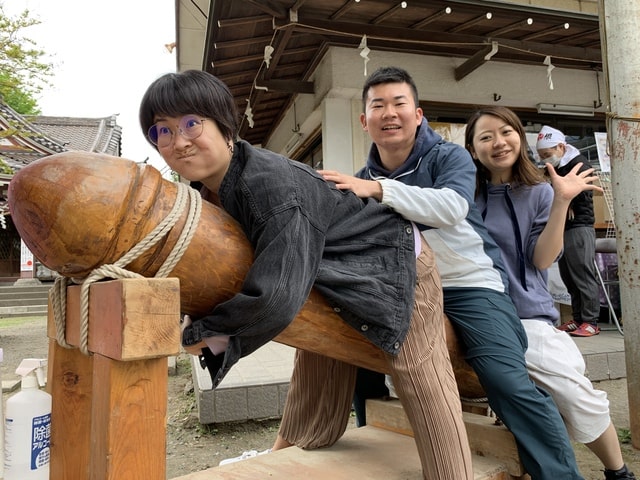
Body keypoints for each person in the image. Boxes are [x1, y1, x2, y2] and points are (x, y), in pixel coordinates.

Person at [138, 69, 473, 480]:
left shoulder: (271, 187)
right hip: (330, 270)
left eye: (191, 123)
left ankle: (451, 473)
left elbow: (276, 296)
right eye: (162, 131)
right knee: (318, 343)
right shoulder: (213, 189)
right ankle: (294, 446)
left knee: (418, 369)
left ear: (224, 125)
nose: (179, 140)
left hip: (397, 265)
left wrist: (204, 335)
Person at [319, 66, 583, 480]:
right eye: (378, 105)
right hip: (402, 286)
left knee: (505, 380)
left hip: (470, 284)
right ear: (364, 119)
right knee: (355, 352)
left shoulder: (448, 156)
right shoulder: (363, 176)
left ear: (418, 113)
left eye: (399, 103)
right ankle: (368, 448)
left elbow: (451, 208)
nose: (389, 113)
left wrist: (378, 190)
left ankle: (560, 475)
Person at [466, 105, 635, 480]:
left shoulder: (541, 191)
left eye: (506, 132)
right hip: (481, 317)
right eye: (486, 137)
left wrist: (561, 201)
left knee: (576, 394)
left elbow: (542, 260)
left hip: (527, 316)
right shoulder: (464, 198)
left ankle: (618, 472)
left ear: (519, 138)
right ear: (472, 148)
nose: (498, 142)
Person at [536, 125, 602, 337]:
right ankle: (578, 318)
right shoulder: (554, 166)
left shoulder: (579, 163)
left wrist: (567, 201)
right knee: (568, 275)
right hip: (562, 227)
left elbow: (586, 192)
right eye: (542, 156)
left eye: (547, 154)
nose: (545, 159)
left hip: (579, 226)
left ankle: (591, 321)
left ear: (561, 147)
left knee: (582, 273)